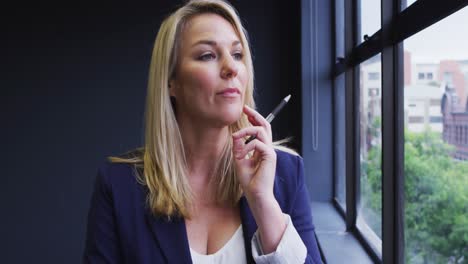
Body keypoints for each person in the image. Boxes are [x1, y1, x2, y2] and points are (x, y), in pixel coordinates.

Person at [83, 0, 323, 263]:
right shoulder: (118, 186)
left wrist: (262, 202)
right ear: (171, 81)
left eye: (238, 54)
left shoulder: (286, 173)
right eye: (207, 55)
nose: (231, 68)